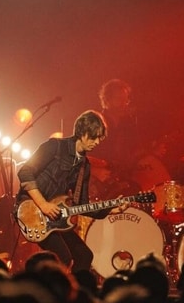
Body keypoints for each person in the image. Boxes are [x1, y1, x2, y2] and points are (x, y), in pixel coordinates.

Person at [15, 110, 129, 273]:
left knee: (84, 256)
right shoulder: (54, 146)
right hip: (32, 209)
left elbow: (82, 204)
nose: (97, 142)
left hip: (55, 218)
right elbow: (25, 172)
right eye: (93, 137)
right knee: (63, 257)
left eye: (99, 138)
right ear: (82, 133)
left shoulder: (84, 166)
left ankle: (72, 288)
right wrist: (43, 204)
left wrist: (111, 210)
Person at [91, 79, 141, 187]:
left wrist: (153, 152)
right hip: (97, 182)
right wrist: (94, 171)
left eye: (126, 100)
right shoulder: (95, 123)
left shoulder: (128, 124)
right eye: (119, 99)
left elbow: (135, 151)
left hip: (121, 179)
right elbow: (78, 155)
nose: (124, 103)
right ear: (107, 100)